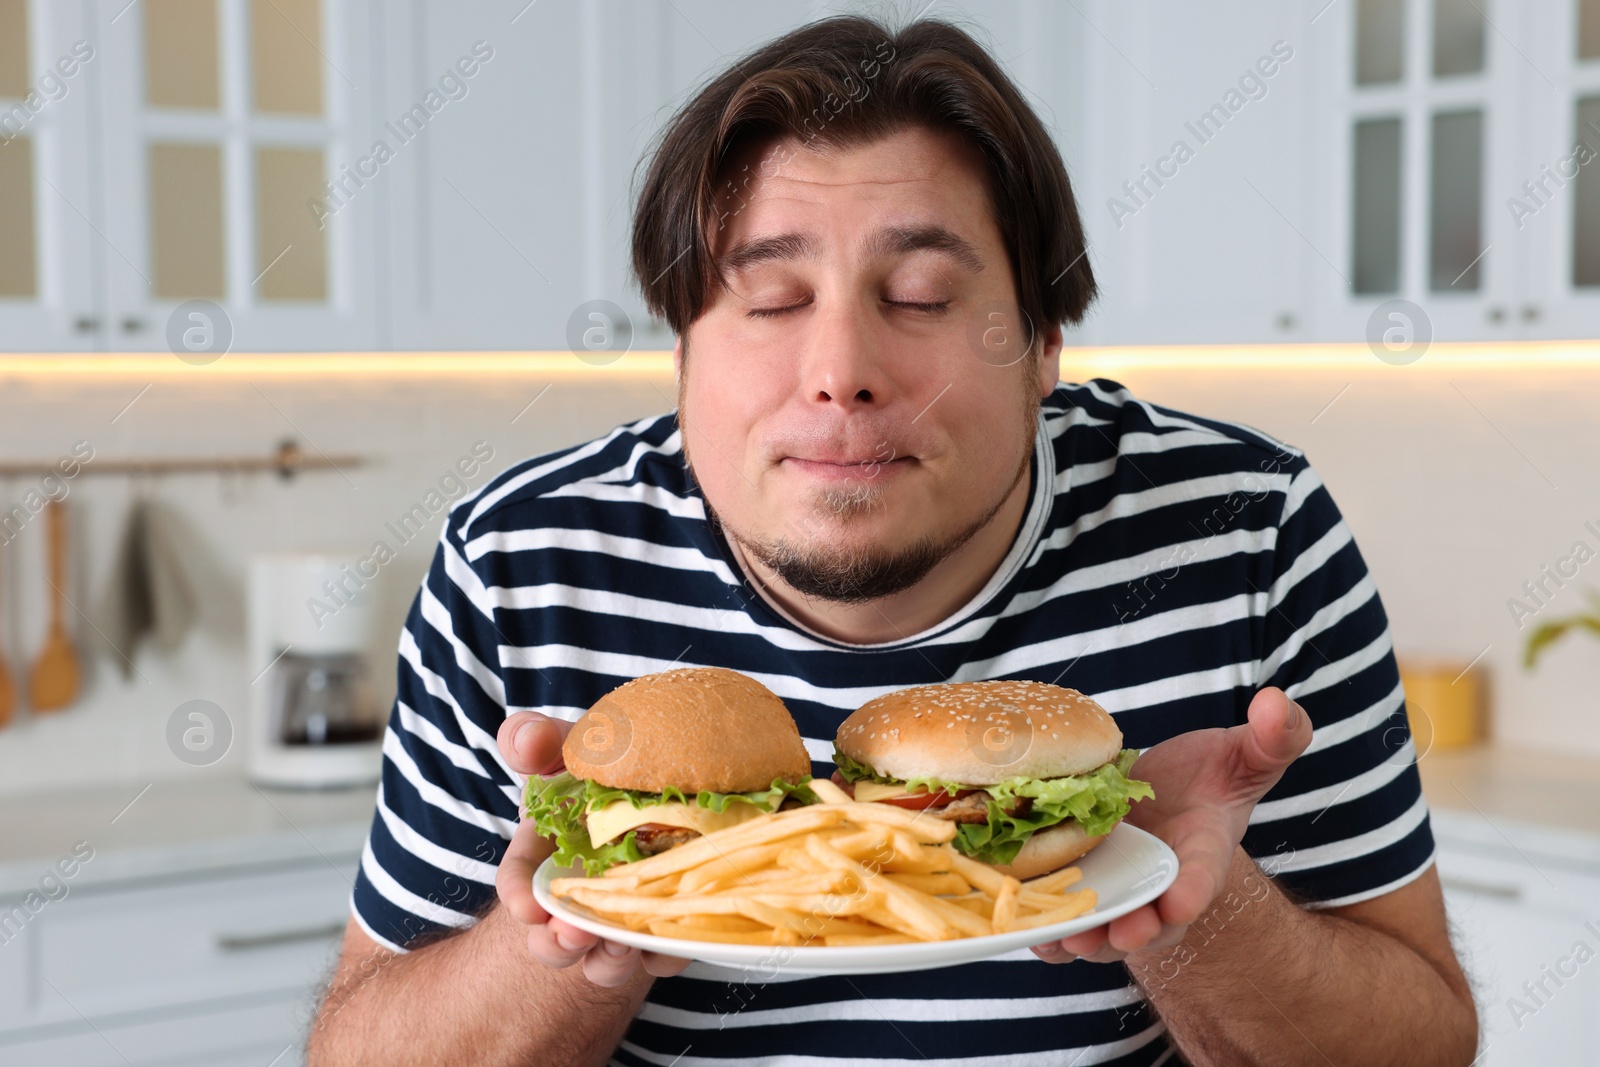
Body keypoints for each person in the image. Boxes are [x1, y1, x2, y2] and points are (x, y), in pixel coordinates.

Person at [306, 15, 1478, 1067]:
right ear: (679, 355)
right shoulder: (521, 562)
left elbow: (1424, 1043)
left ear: (1045, 344)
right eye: (769, 302)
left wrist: (1188, 901)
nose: (842, 375)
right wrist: (581, 934)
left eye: (918, 296)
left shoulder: (1244, 527)